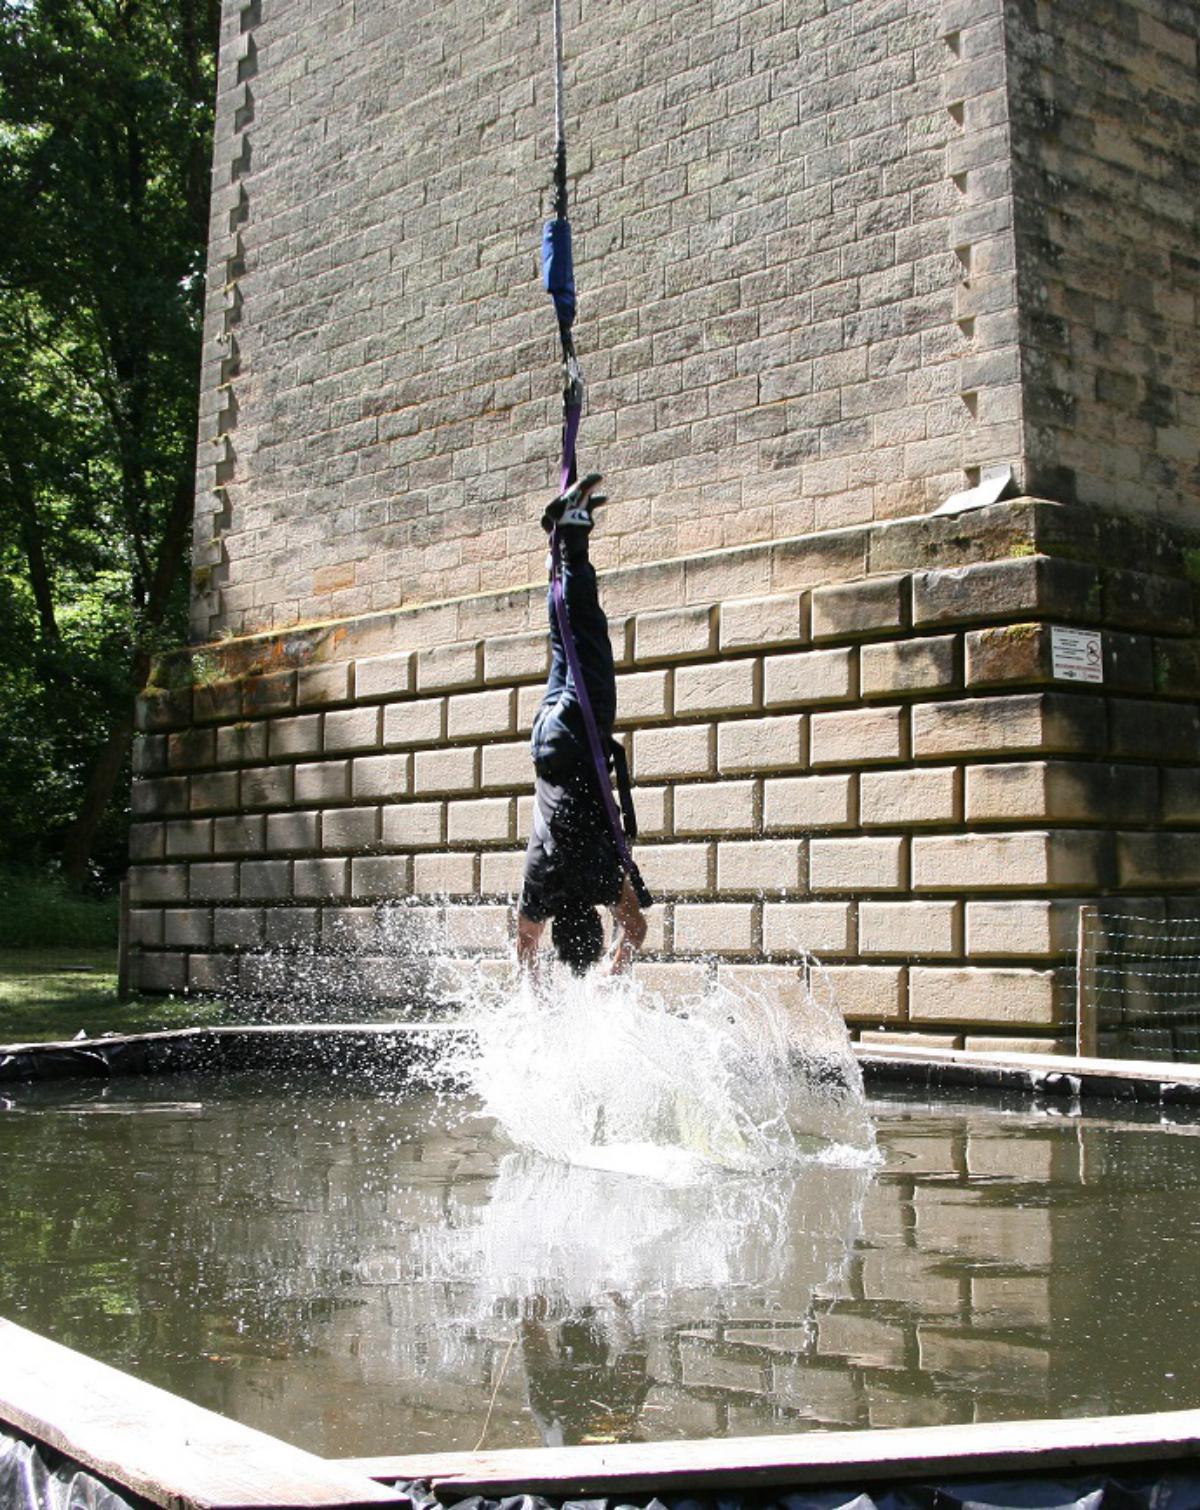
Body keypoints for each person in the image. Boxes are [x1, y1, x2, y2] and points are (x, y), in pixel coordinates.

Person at [516, 473, 648, 977]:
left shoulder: (602, 882)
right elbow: (524, 943)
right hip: (544, 742)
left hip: (579, 736)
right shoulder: (538, 889)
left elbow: (634, 930)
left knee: (586, 635)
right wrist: (536, 992)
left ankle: (572, 532)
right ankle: (557, 548)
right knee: (562, 644)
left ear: (596, 919)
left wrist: (613, 976)